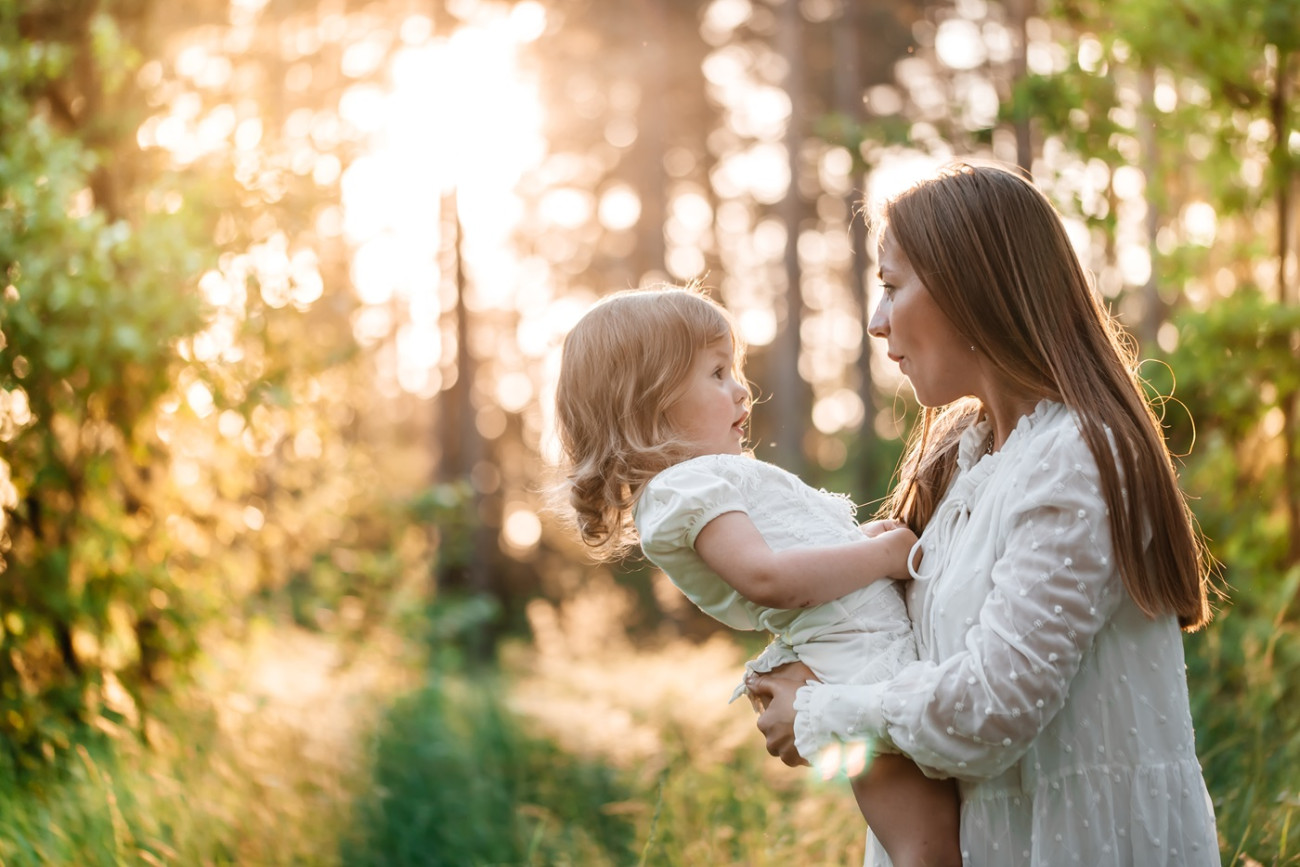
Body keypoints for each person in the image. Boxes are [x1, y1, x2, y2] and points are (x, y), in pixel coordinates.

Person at [746, 161, 1220, 866]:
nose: (877, 322)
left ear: (972, 287)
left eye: (891, 286)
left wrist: (820, 713)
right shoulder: (963, 458)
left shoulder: (1076, 455)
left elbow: (994, 707)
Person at [554, 286, 961, 867]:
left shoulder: (709, 479)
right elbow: (770, 579)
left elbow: (824, 552)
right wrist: (889, 555)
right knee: (926, 849)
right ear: (647, 401)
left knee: (944, 838)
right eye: (717, 373)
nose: (742, 388)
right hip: (855, 664)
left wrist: (880, 541)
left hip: (868, 647)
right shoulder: (681, 489)